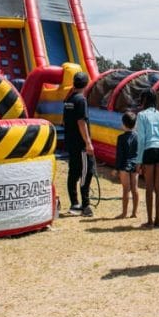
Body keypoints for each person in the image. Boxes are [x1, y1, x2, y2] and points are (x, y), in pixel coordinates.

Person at [63, 71, 95, 217]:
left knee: (73, 172)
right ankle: (85, 204)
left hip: (71, 142)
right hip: (80, 144)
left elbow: (65, 122)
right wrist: (88, 143)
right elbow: (81, 122)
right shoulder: (81, 100)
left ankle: (74, 203)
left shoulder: (68, 99)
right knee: (86, 172)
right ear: (86, 84)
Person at [136, 90, 159, 228]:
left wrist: (138, 161)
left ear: (144, 100)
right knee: (158, 185)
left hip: (149, 149)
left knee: (149, 186)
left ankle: (149, 220)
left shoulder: (141, 115)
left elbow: (141, 138)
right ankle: (158, 219)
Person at [114, 112, 140, 219]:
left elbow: (119, 155)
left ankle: (124, 213)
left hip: (124, 165)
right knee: (135, 189)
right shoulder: (138, 136)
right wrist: (139, 165)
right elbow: (140, 152)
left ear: (123, 124)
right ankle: (134, 212)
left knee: (125, 189)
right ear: (135, 124)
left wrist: (116, 168)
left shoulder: (121, 138)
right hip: (135, 164)